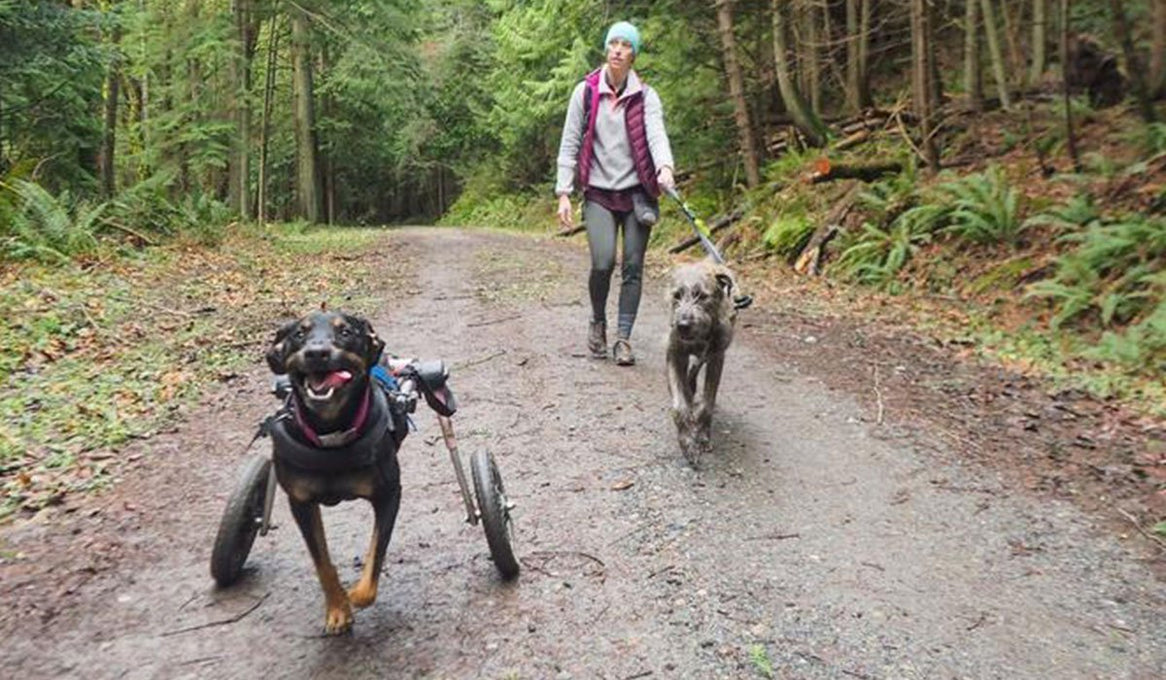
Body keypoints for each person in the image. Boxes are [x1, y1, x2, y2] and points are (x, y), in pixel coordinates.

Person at [555, 20, 675, 366]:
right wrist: (564, 191)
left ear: (634, 55)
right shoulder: (586, 92)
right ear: (607, 50)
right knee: (603, 262)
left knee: (634, 267)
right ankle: (598, 321)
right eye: (614, 44)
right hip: (599, 194)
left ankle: (623, 338)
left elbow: (656, 136)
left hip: (637, 194)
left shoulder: (646, 96)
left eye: (626, 45)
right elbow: (569, 143)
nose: (619, 50)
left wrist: (665, 167)